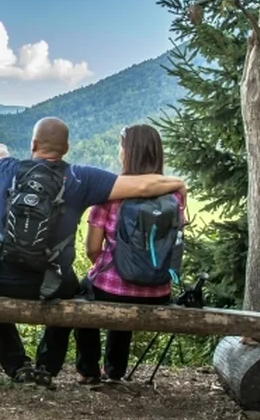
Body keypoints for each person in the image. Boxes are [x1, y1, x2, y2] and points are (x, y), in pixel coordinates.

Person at [0, 117, 186, 384]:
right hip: (54, 283)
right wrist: (179, 184)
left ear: (33, 144)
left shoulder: (7, 169)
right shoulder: (81, 177)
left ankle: (17, 365)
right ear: (67, 148)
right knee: (73, 290)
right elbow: (142, 186)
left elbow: (1, 156)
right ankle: (46, 368)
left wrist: (0, 148)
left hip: (4, 280)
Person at [73, 124, 184, 384]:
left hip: (113, 289)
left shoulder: (109, 196)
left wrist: (110, 268)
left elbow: (92, 248)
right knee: (125, 292)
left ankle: (88, 370)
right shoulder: (174, 197)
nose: (119, 151)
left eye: (121, 147)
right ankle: (114, 370)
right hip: (158, 292)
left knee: (84, 293)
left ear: (128, 152)